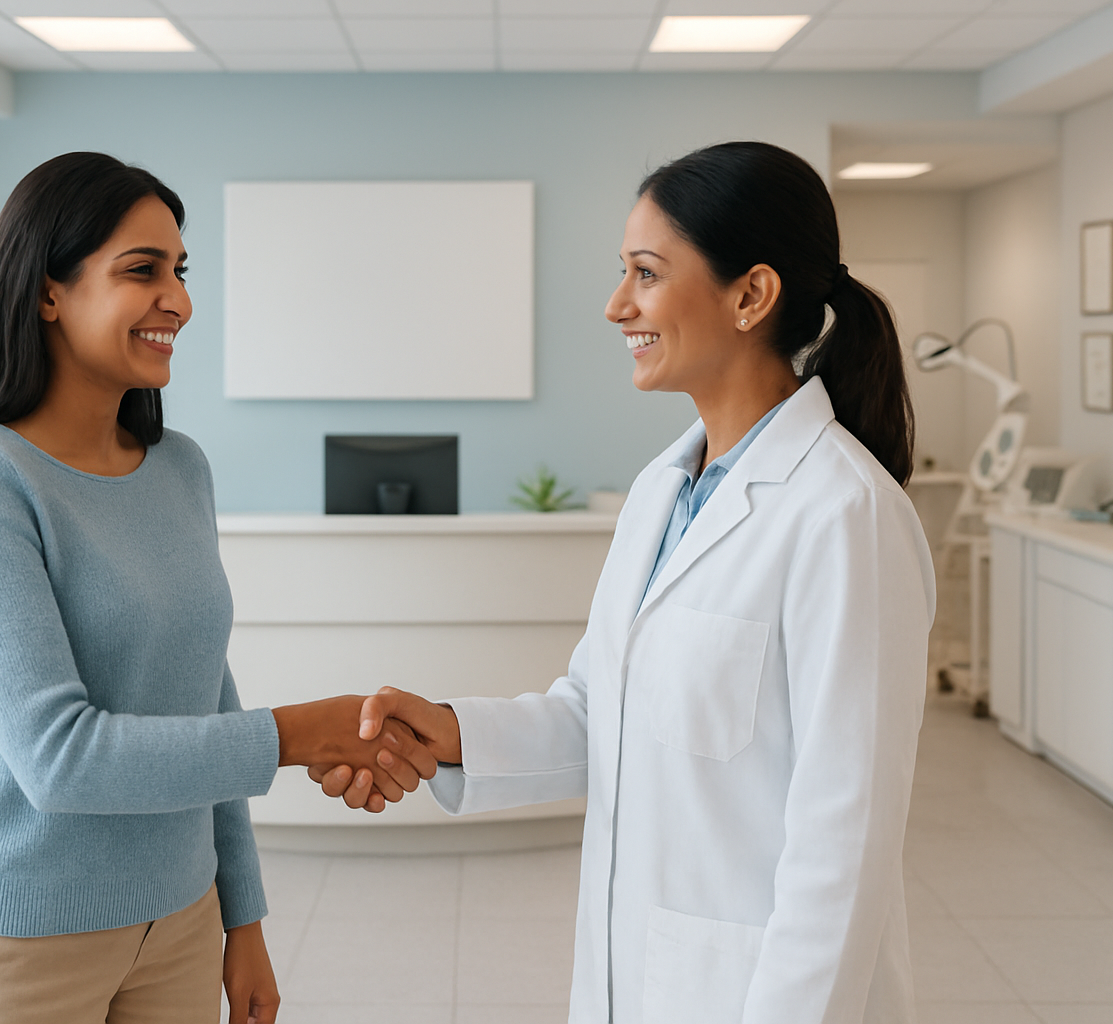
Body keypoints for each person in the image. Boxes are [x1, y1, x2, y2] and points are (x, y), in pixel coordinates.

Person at [315, 141, 936, 1023]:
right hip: (640, 982)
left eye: (645, 273)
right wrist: (448, 734)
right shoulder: (660, 493)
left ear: (751, 296)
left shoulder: (843, 516)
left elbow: (846, 843)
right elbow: (599, 713)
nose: (616, 306)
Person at [0, 152, 436, 1024]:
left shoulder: (180, 468)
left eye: (180, 272)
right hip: (14, 941)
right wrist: (297, 735)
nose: (178, 301)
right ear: (47, 292)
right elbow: (58, 758)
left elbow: (205, 692)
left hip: (179, 924)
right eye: (142, 271)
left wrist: (243, 916)